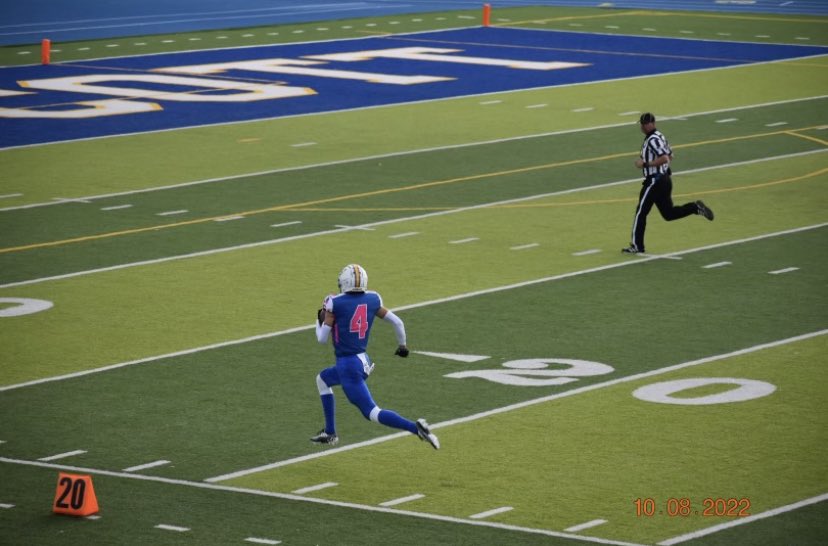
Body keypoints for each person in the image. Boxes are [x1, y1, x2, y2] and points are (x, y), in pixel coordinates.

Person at [311, 264, 440, 450]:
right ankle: (330, 432)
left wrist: (319, 319)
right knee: (322, 379)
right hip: (362, 360)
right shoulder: (373, 299)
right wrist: (402, 346)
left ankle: (416, 428)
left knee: (372, 412)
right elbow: (398, 322)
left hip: (348, 365)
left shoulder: (335, 303)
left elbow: (322, 339)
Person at [622, 112, 714, 254]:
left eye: (644, 124)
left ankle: (637, 246)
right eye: (642, 124)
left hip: (655, 180)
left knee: (641, 212)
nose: (642, 126)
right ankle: (695, 208)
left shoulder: (653, 139)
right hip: (664, 179)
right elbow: (671, 155)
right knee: (668, 214)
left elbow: (665, 158)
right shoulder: (659, 136)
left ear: (650, 124)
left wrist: (646, 164)